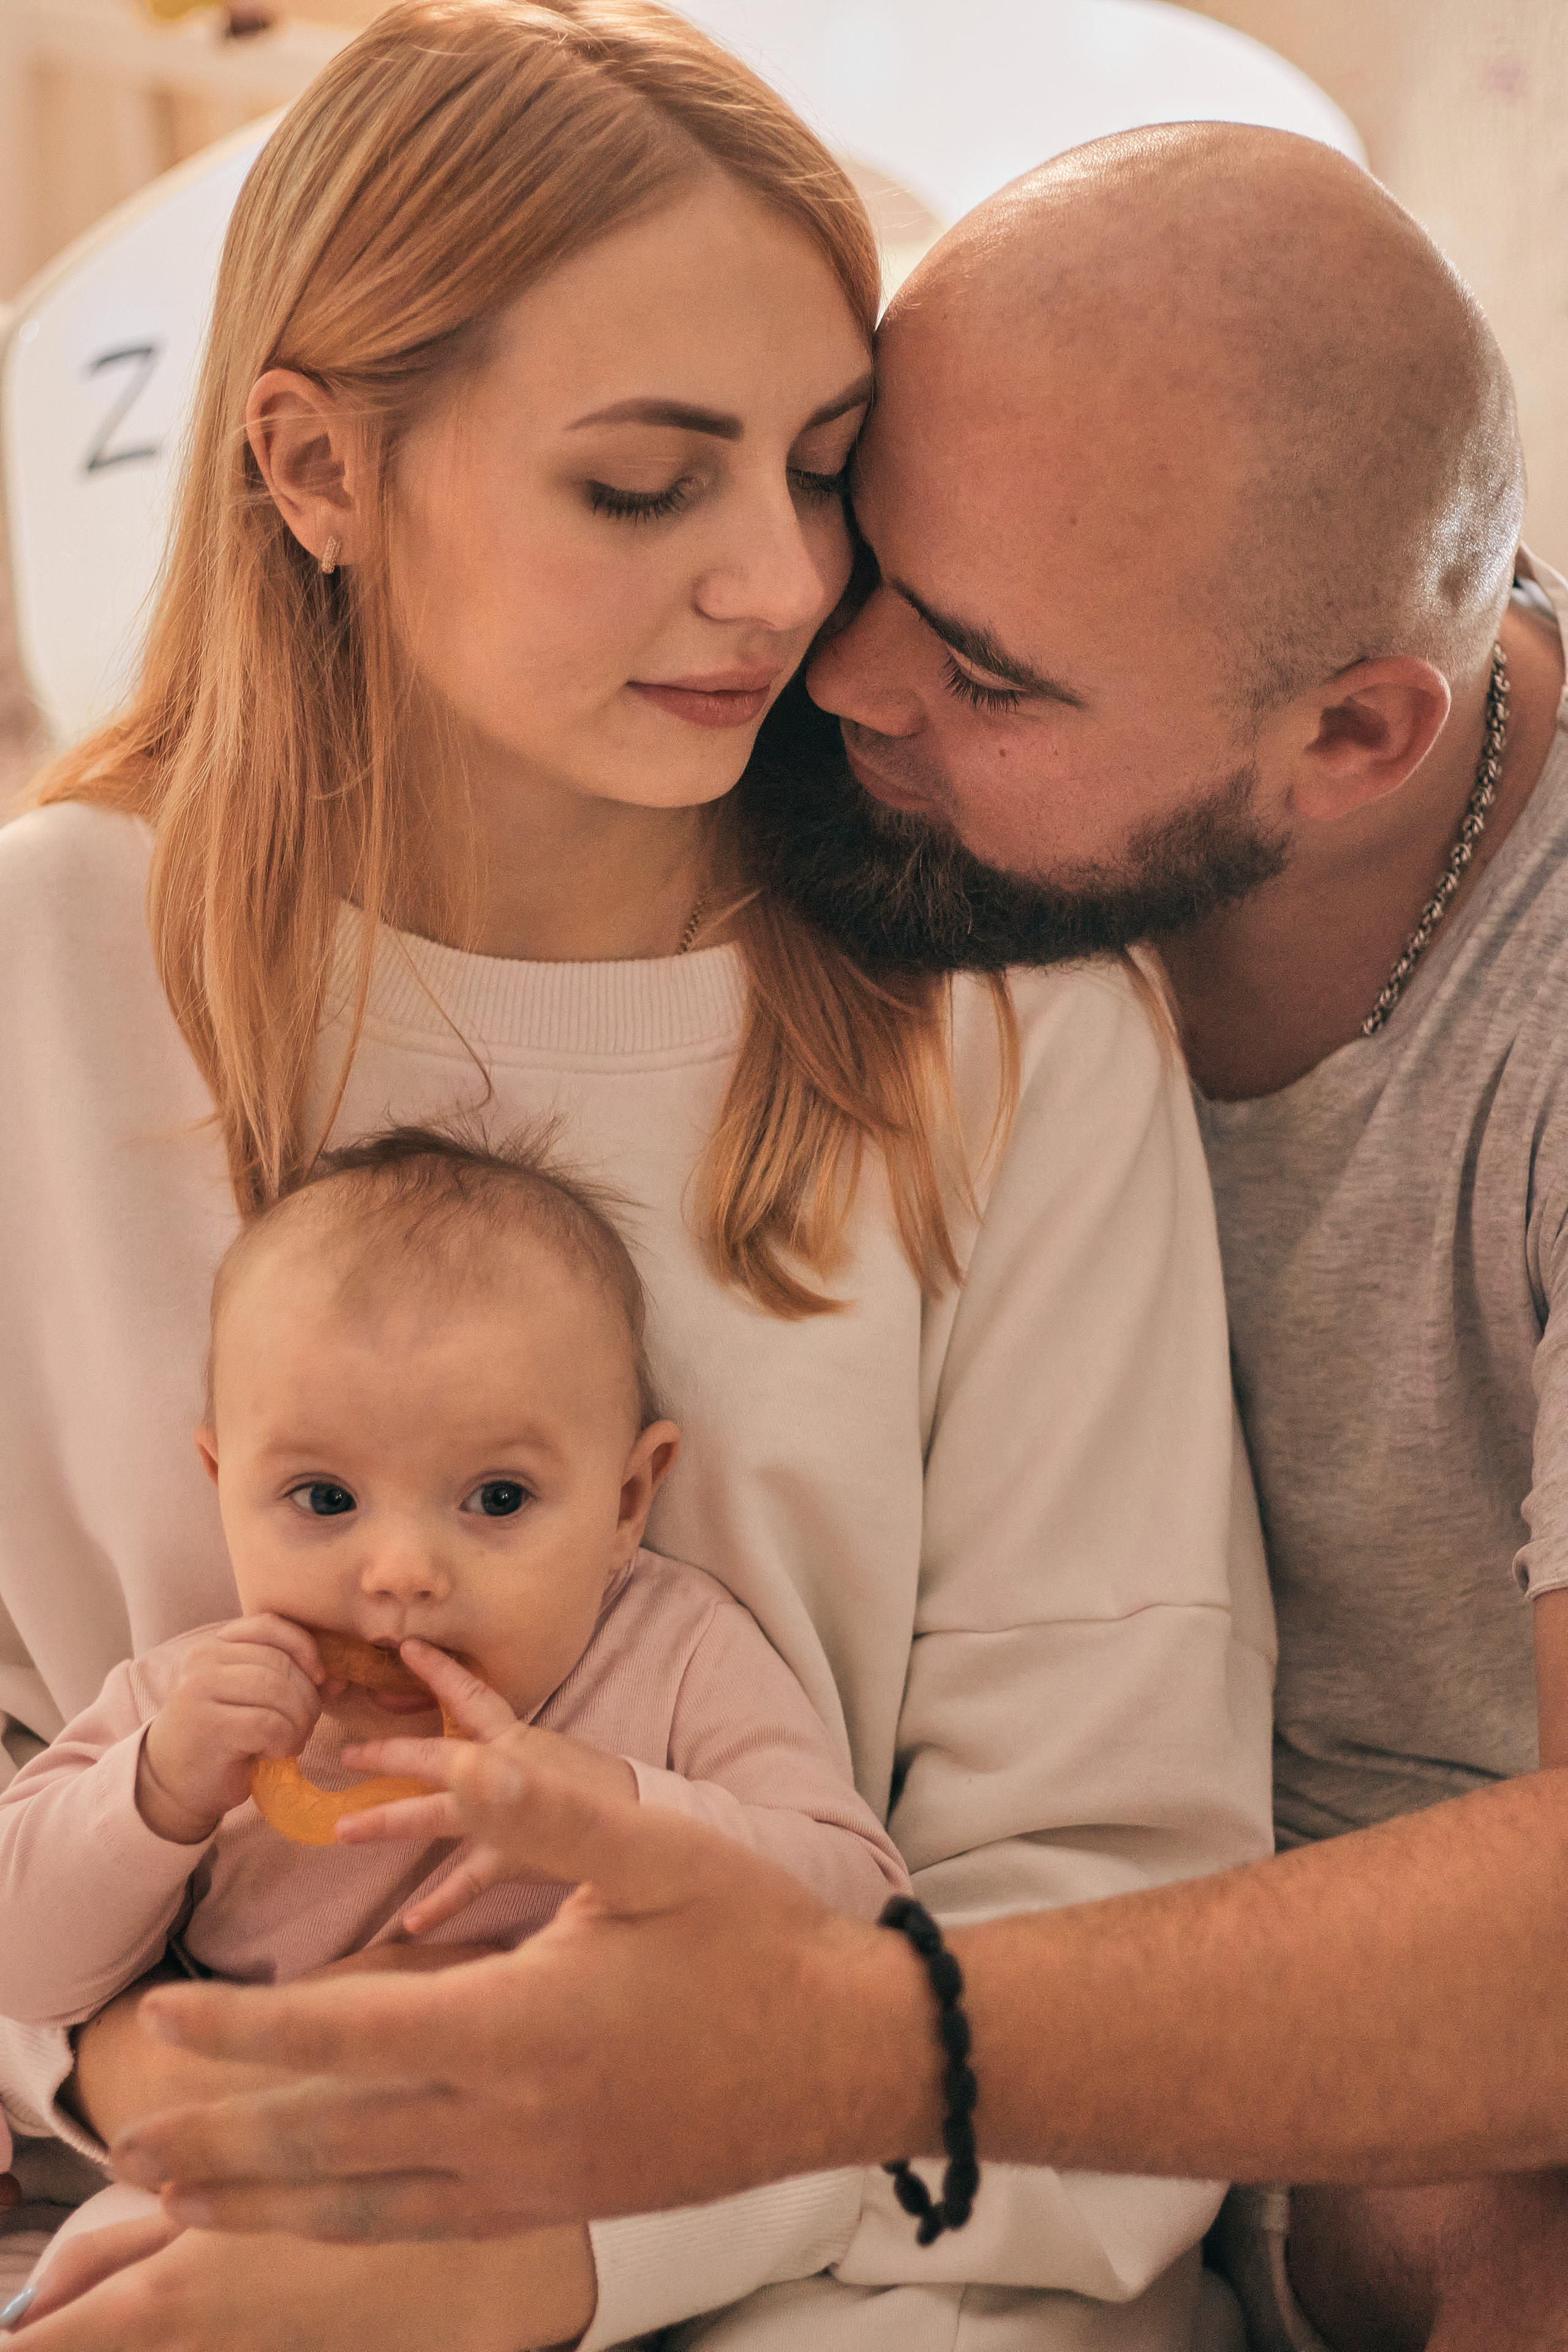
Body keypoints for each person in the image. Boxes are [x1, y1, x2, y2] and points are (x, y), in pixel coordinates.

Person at [114, 123, 1568, 2352]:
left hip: (1246, 2099)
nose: (820, 642)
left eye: (984, 671)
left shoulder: (1074, 1023)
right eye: (861, 518)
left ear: (1357, 737)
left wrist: (711, 2126)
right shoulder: (913, 849)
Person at [0, 1127, 906, 2297]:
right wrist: (158, 1793)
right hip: (240, 2176)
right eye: (323, 1498)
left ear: (629, 1498)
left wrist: (623, 1813)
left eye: (496, 1498)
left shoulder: (676, 1657)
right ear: (223, 1486)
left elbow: (869, 1928)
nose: (401, 1570)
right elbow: (21, 1967)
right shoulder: (193, 1705)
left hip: (573, 2203)